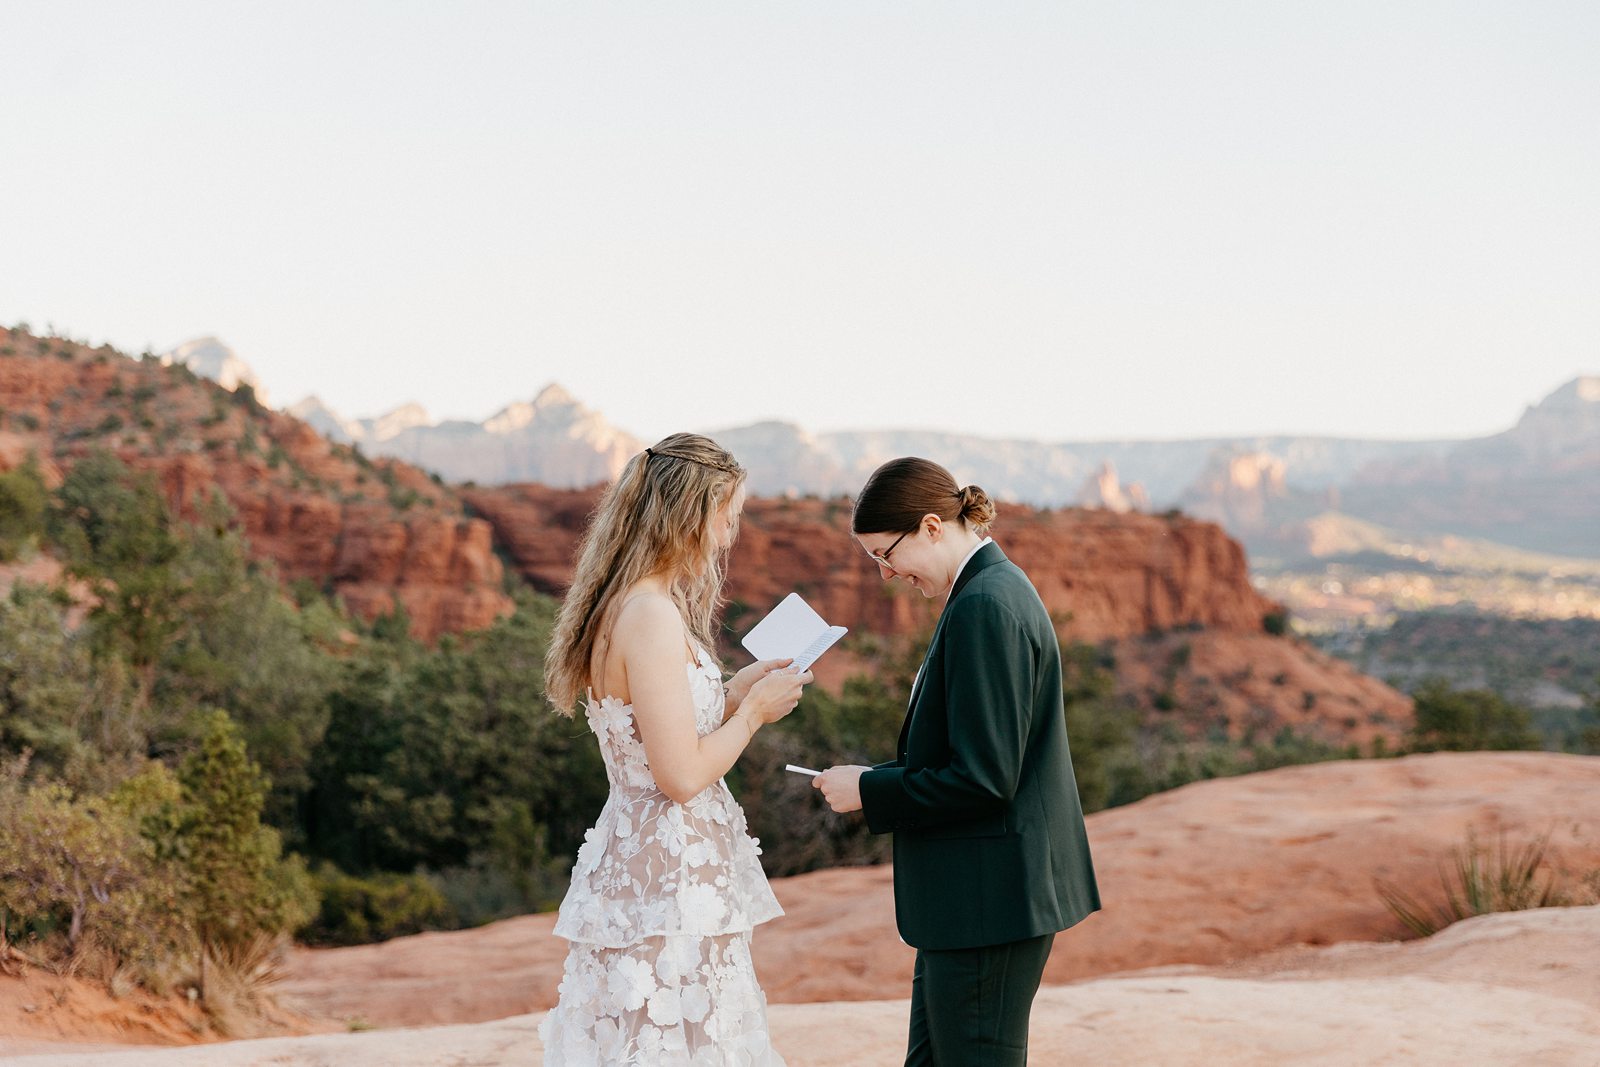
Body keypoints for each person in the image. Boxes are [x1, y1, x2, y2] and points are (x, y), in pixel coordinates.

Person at [814, 457, 1100, 1066]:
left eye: (885, 555)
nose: (888, 575)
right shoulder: (985, 591)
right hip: (973, 902)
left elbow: (985, 779)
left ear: (931, 526)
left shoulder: (984, 607)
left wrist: (870, 790)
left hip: (989, 901)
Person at [539, 432, 811, 1065]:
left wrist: (735, 693)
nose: (727, 537)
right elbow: (681, 776)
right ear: (691, 516)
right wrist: (754, 718)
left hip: (645, 870)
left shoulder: (626, 606)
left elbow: (661, 726)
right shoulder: (651, 616)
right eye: (726, 518)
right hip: (669, 880)